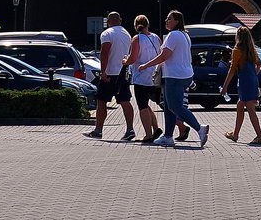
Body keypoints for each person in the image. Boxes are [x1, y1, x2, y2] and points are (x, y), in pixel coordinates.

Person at [136, 9, 209, 147]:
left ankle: (200, 128)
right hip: (185, 74)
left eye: (169, 19)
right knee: (169, 107)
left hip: (175, 76)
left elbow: (164, 56)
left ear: (177, 21)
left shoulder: (173, 35)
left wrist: (146, 65)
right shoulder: (184, 35)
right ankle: (168, 136)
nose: (166, 21)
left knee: (176, 107)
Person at [83, 11, 136, 140]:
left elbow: (105, 52)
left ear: (108, 21)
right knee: (125, 101)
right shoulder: (126, 34)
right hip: (123, 72)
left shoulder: (107, 33)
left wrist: (103, 71)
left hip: (111, 72)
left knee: (101, 100)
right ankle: (130, 129)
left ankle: (98, 130)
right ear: (120, 20)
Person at [123, 14, 165, 143]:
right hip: (155, 76)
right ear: (148, 24)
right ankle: (156, 128)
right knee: (147, 104)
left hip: (141, 76)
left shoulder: (137, 38)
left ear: (136, 26)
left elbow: (133, 58)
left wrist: (125, 61)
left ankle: (147, 134)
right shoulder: (156, 37)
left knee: (142, 105)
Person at [219, 26, 261, 144]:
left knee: (250, 109)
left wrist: (224, 87)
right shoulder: (252, 50)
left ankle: (259, 136)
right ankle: (235, 134)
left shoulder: (237, 50)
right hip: (253, 80)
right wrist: (253, 74)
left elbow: (232, 69)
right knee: (240, 106)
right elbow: (259, 65)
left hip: (244, 81)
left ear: (238, 36)